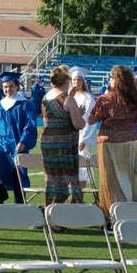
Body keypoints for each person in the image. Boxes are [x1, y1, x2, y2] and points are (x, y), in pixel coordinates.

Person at [88, 65, 137, 220]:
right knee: (131, 178)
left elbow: (91, 120)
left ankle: (113, 217)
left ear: (115, 79)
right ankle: (132, 213)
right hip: (131, 142)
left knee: (111, 181)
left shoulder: (105, 99)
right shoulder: (135, 99)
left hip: (109, 143)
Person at [0, 72, 37, 204]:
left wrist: (24, 141)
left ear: (17, 86)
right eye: (5, 87)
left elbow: (30, 125)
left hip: (18, 145)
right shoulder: (0, 105)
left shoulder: (25, 105)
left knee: (18, 175)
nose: (8, 89)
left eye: (11, 86)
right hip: (1, 144)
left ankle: (20, 204)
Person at [41, 65, 85, 208]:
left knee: (52, 178)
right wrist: (81, 115)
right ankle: (67, 210)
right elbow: (78, 124)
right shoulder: (68, 100)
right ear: (66, 80)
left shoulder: (46, 96)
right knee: (67, 177)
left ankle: (51, 208)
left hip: (47, 141)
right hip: (64, 143)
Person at [69, 66, 97, 189]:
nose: (76, 83)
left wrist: (84, 139)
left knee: (82, 167)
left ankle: (80, 194)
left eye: (79, 80)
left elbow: (90, 122)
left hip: (81, 136)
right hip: (69, 136)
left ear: (83, 81)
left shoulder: (88, 98)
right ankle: (72, 195)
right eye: (74, 80)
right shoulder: (70, 97)